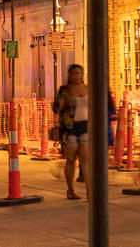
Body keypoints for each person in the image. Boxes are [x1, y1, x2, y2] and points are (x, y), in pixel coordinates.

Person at [52, 64, 89, 200]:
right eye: (73, 73)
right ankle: (71, 190)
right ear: (69, 75)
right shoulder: (64, 90)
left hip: (85, 127)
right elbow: (56, 108)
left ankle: (90, 192)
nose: (76, 76)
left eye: (79, 73)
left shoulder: (87, 89)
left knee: (85, 161)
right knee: (71, 160)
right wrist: (60, 103)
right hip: (69, 129)